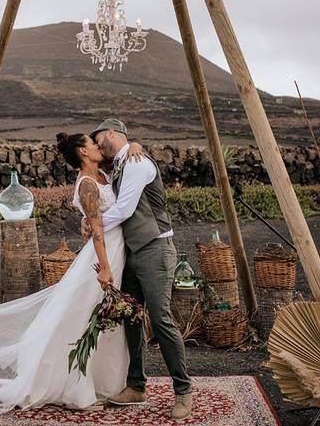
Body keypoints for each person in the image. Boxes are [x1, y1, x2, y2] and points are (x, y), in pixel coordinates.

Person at [0, 132, 145, 412]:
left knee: (107, 318)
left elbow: (126, 152)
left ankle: (104, 381)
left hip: (119, 250)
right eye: (92, 144)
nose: (98, 146)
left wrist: (137, 146)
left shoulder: (105, 173)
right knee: (84, 319)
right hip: (103, 256)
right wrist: (105, 267)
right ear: (83, 152)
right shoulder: (87, 185)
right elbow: (96, 229)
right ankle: (75, 388)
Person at [85, 118, 193, 420]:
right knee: (130, 318)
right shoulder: (121, 162)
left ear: (110, 134)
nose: (96, 146)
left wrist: (94, 224)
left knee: (160, 320)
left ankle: (183, 391)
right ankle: (136, 386)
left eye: (97, 139)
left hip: (155, 249)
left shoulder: (136, 163)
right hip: (132, 252)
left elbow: (125, 209)